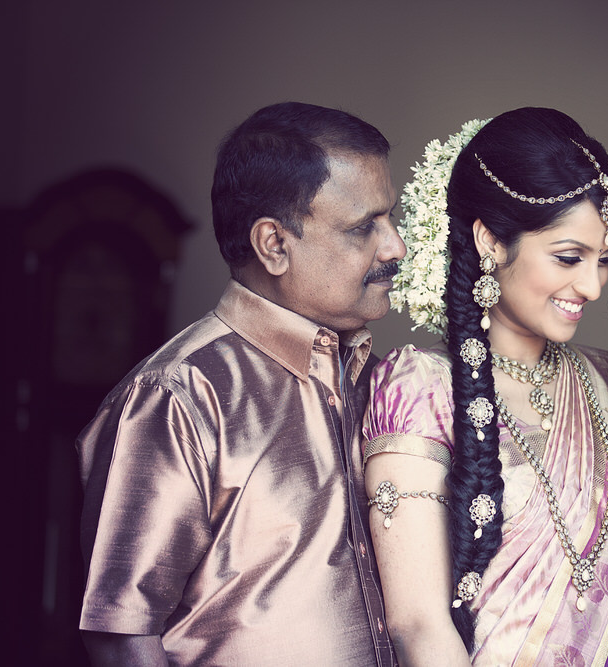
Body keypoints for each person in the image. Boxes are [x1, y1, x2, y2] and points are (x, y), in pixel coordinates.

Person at [76, 102, 405, 665]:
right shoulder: (175, 397)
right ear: (273, 244)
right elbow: (122, 634)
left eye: (390, 218)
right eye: (363, 227)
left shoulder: (382, 381)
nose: (395, 246)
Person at [363, 108, 608, 665]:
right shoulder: (421, 388)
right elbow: (418, 625)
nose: (592, 287)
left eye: (605, 260)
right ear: (491, 240)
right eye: (569, 257)